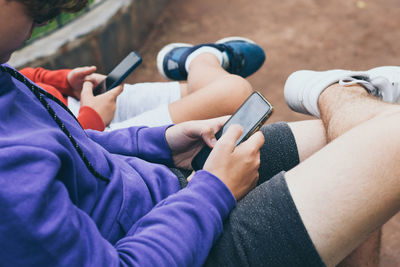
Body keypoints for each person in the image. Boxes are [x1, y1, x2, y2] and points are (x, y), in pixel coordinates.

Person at [1, 1, 400, 267]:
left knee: (341, 143)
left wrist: (160, 142)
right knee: (388, 140)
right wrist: (213, 191)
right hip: (185, 245)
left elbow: (74, 148)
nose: (42, 19)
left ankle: (340, 95)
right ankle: (337, 91)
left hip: (175, 196)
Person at [18, 35, 265, 131]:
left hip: (80, 104)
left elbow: (19, 76)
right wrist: (91, 120)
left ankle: (199, 61)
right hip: (91, 141)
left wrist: (61, 81)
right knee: (236, 94)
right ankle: (200, 58)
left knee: (200, 94)